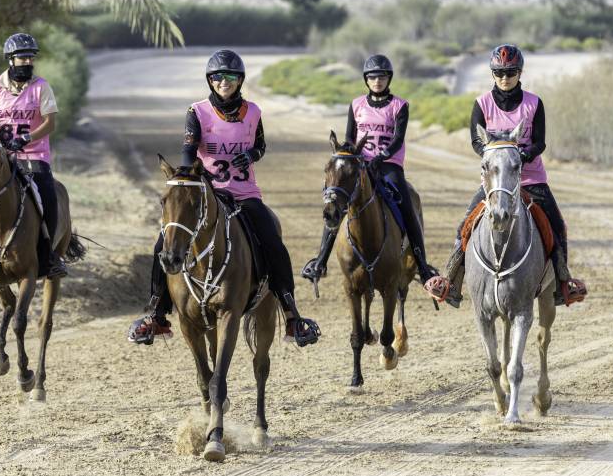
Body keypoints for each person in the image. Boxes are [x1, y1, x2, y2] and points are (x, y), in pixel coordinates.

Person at [127, 49, 321, 347]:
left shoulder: (253, 111)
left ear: (239, 80)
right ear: (210, 80)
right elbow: (189, 150)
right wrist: (190, 174)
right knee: (163, 241)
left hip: (244, 193)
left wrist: (250, 155)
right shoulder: (197, 112)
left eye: (229, 77)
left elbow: (260, 146)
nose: (223, 82)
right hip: (208, 194)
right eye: (217, 77)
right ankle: (156, 312)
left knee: (272, 240)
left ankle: (291, 313)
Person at [425, 43, 588, 307]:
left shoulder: (534, 103)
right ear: (492, 74)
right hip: (496, 182)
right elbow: (476, 143)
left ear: (519, 72)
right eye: (499, 73)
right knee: (466, 224)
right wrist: (494, 154)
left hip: (531, 178)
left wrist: (522, 156)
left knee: (557, 225)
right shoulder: (481, 104)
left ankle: (563, 284)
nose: (504, 78)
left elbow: (539, 142)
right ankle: (450, 281)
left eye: (510, 72)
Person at [301, 54, 439, 287]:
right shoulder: (356, 105)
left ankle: (423, 267)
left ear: (389, 79)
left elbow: (397, 139)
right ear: (366, 79)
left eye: (382, 77)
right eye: (373, 77)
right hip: (360, 164)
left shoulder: (400, 106)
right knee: (337, 200)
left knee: (407, 208)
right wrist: (353, 157)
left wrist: (381, 157)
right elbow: (349, 137)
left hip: (389, 166)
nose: (377, 81)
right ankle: (320, 262)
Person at [0, 33, 66, 278]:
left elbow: (50, 123)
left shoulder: (41, 87)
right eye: (21, 57)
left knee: (48, 195)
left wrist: (26, 138)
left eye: (30, 57)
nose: (27, 62)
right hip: (2, 156)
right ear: (10, 60)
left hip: (34, 155)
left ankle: (49, 256)